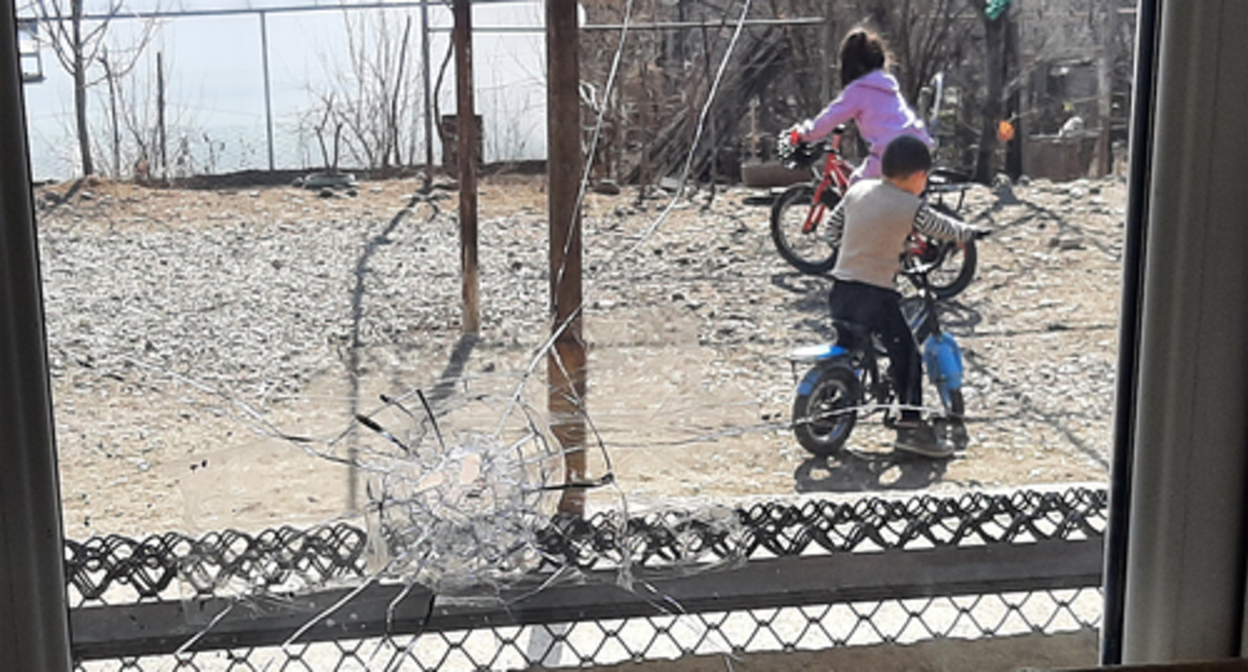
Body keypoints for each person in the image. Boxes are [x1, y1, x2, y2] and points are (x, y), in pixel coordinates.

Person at [824, 135, 986, 458]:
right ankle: (911, 428)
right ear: (917, 177)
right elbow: (942, 228)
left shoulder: (857, 190)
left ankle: (839, 394)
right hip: (876, 296)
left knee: (853, 347)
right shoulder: (912, 207)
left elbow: (831, 230)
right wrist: (971, 232)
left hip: (840, 290)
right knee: (908, 357)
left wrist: (860, 247)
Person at [789, 26, 932, 183]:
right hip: (919, 144)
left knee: (858, 186)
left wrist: (805, 134)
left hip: (891, 152)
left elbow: (830, 118)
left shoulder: (859, 90)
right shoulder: (887, 85)